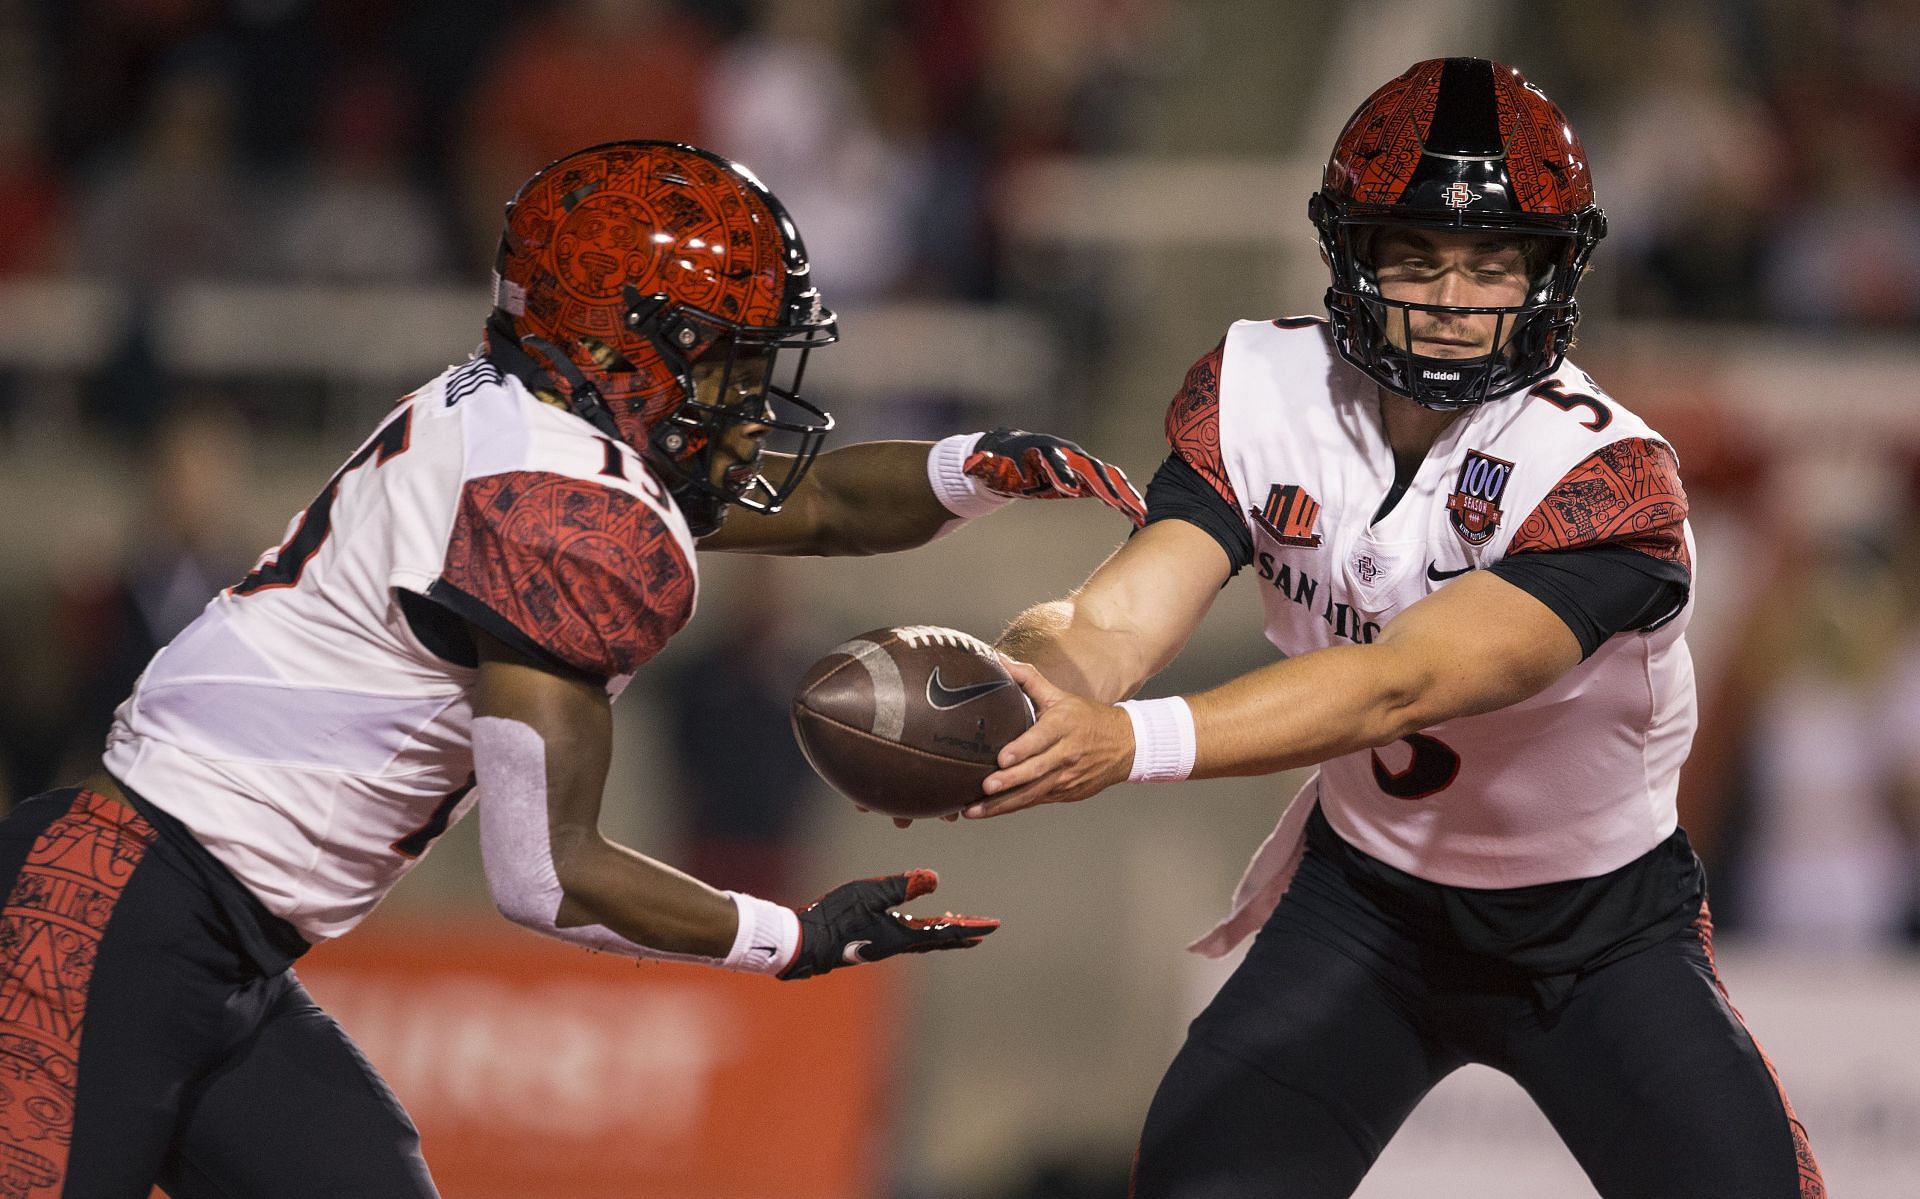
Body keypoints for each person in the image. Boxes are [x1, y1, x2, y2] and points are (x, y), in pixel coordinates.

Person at [0, 140, 1145, 1197]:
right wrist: (791, 936)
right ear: (608, 346)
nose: (744, 393)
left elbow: (826, 502)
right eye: (719, 355)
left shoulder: (526, 424)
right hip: (113, 913)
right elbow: (547, 872)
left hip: (210, 936)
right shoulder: (560, 507)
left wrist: (973, 465)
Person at [964, 59, 1826, 1199]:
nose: (1453, 296)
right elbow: (1122, 606)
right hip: (1366, 902)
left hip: (1599, 933)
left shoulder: (1608, 475)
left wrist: (1128, 742)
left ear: (1546, 272)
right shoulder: (1264, 386)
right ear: (1355, 258)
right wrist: (1033, 689)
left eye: (1489, 260)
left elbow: (1401, 682)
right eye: (1416, 256)